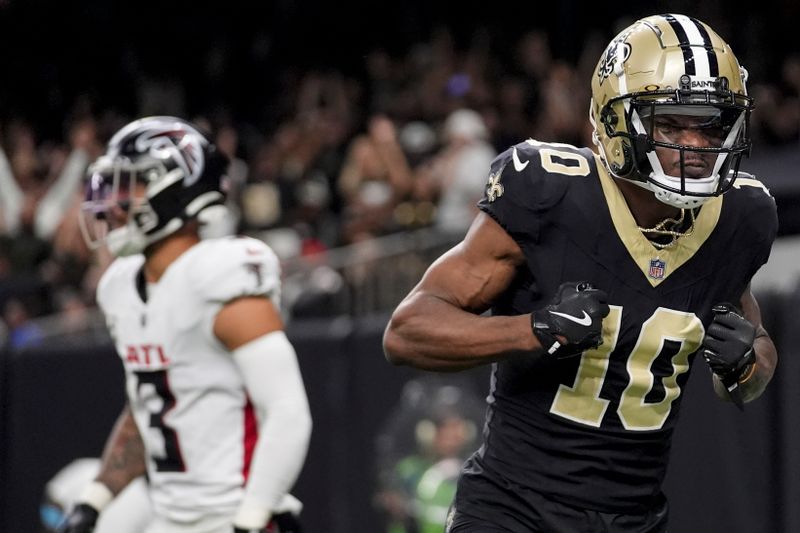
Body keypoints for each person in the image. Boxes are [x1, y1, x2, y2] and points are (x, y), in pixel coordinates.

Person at [383, 14, 778, 533]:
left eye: (710, 123)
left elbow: (754, 369)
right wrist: (532, 329)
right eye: (672, 123)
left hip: (634, 517)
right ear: (618, 124)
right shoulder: (550, 195)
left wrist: (746, 364)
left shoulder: (741, 217)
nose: (698, 145)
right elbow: (406, 332)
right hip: (512, 508)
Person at [58, 116, 312, 533]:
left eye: (131, 184)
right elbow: (149, 405)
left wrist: (252, 517)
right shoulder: (120, 287)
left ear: (176, 186)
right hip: (170, 519)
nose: (114, 203)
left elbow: (287, 412)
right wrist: (95, 497)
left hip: (238, 513)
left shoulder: (220, 275)